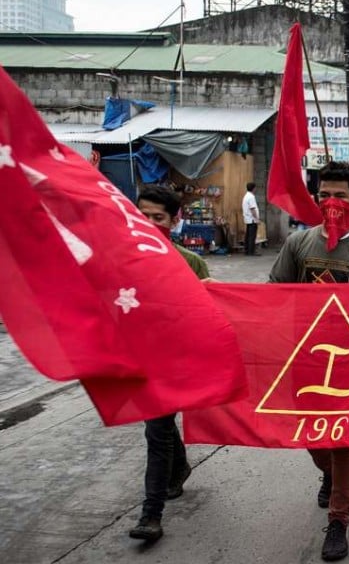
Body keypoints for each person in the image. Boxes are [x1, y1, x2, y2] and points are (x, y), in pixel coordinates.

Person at [269, 161, 349, 561]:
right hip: (304, 360)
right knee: (312, 437)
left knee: (343, 439)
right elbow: (273, 293)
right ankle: (328, 473)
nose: (331, 202)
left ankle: (339, 520)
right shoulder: (298, 245)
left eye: (340, 195)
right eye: (324, 194)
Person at [128, 185, 211, 543]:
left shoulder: (191, 263)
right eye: (142, 215)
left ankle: (151, 513)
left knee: (157, 432)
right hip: (139, 359)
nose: (148, 223)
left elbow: (206, 317)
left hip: (177, 362)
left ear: (175, 220)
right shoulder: (120, 258)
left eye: (158, 218)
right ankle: (178, 468)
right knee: (159, 430)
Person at [242, 181, 260, 255]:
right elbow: (253, 209)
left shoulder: (246, 196)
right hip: (252, 219)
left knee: (248, 235)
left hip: (248, 219)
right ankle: (251, 251)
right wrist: (257, 219)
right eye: (255, 188)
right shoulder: (251, 197)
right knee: (252, 236)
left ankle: (247, 250)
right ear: (253, 188)